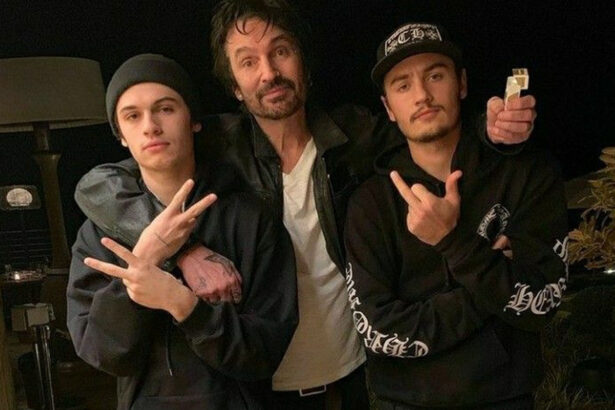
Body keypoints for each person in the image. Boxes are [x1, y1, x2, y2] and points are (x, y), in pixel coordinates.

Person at [72, 2, 538, 409]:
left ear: (304, 63)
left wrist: (489, 131)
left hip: (351, 373)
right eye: (247, 61)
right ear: (234, 85)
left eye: (280, 51)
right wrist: (183, 250)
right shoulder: (216, 143)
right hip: (255, 383)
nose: (268, 72)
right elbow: (99, 184)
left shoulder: (353, 134)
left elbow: (426, 134)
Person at [343, 22, 569, 409]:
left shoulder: (527, 173)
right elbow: (378, 331)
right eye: (402, 85)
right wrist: (489, 284)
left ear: (461, 84)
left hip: (507, 398)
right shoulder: (369, 203)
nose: (422, 95)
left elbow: (542, 302)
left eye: (436, 75)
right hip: (405, 401)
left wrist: (454, 243)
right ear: (389, 108)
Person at [67, 54, 298, 410]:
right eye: (132, 116)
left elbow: (264, 352)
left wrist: (185, 306)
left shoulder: (250, 218)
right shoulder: (98, 233)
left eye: (165, 109)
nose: (150, 126)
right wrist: (143, 267)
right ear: (121, 136)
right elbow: (101, 353)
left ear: (194, 121)